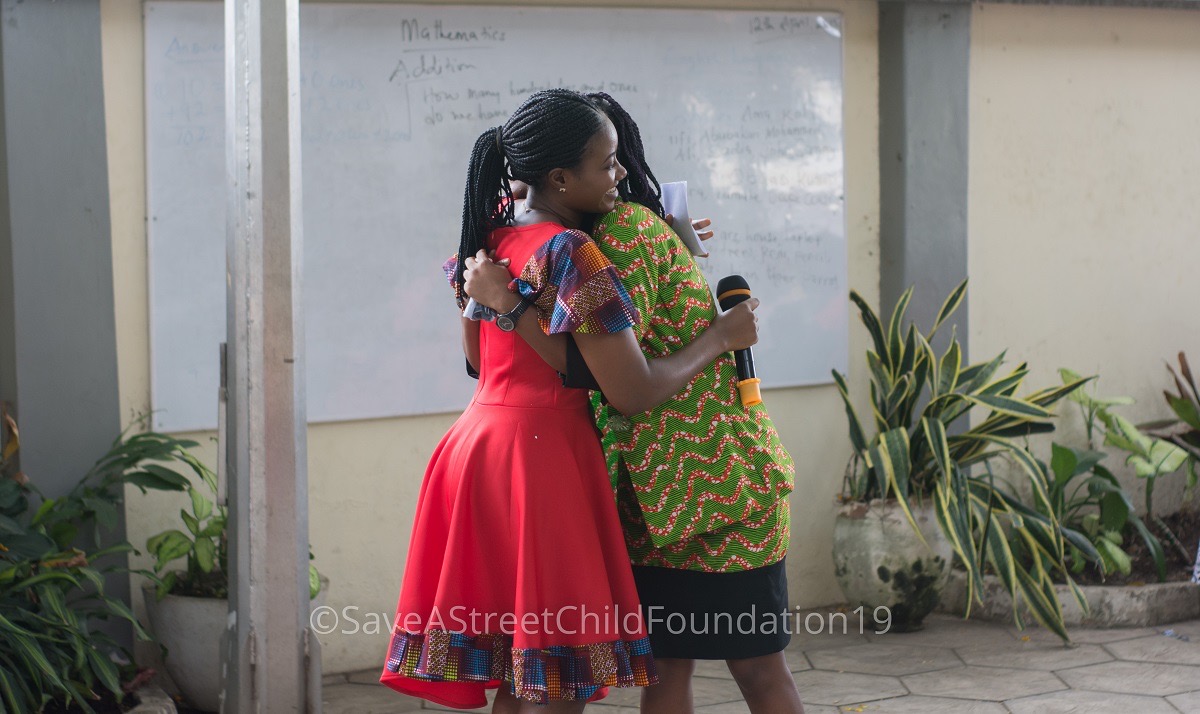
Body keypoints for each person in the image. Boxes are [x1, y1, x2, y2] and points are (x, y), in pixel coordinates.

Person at [379, 89, 762, 713]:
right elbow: (632, 390)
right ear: (560, 178)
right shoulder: (572, 253)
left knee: (517, 667)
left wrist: (511, 306)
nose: (622, 175)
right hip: (544, 461)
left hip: (475, 450)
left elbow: (477, 361)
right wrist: (720, 338)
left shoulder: (488, 240)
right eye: (607, 164)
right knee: (556, 675)